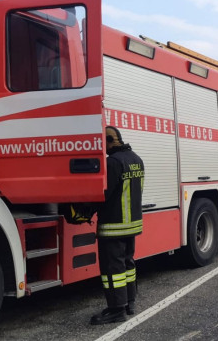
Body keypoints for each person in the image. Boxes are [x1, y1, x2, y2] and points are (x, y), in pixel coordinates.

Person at [91, 126, 144, 325]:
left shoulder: (113, 163)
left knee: (113, 270)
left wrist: (83, 210)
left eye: (103, 143)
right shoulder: (137, 159)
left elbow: (103, 195)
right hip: (132, 225)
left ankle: (116, 309)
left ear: (111, 140)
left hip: (113, 226)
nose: (102, 148)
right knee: (128, 264)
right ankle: (130, 303)